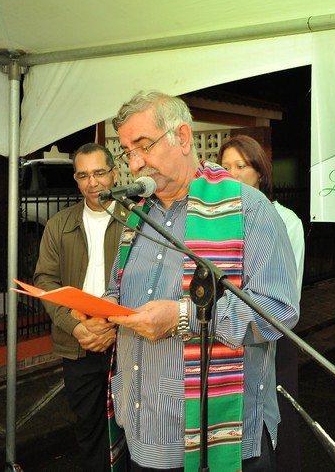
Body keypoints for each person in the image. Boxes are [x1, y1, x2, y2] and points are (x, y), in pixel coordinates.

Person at [91, 90, 299, 472]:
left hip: (213, 436)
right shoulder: (137, 215)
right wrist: (102, 318)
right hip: (139, 430)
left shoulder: (248, 209)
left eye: (143, 147)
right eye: (126, 151)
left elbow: (279, 311)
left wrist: (184, 317)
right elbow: (119, 291)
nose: (134, 163)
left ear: (183, 137)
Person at [33, 142, 130, 471]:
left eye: (100, 173)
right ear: (76, 179)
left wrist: (114, 327)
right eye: (83, 175)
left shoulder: (136, 220)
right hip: (79, 342)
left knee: (134, 424)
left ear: (115, 174)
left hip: (128, 341)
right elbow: (45, 280)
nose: (93, 183)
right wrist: (75, 326)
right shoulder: (58, 225)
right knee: (88, 427)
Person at [218, 134, 305, 470]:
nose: (232, 174)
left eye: (241, 166)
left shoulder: (283, 219)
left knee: (271, 424)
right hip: (223, 336)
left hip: (269, 334)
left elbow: (285, 296)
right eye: (224, 167)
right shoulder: (214, 220)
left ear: (260, 173)